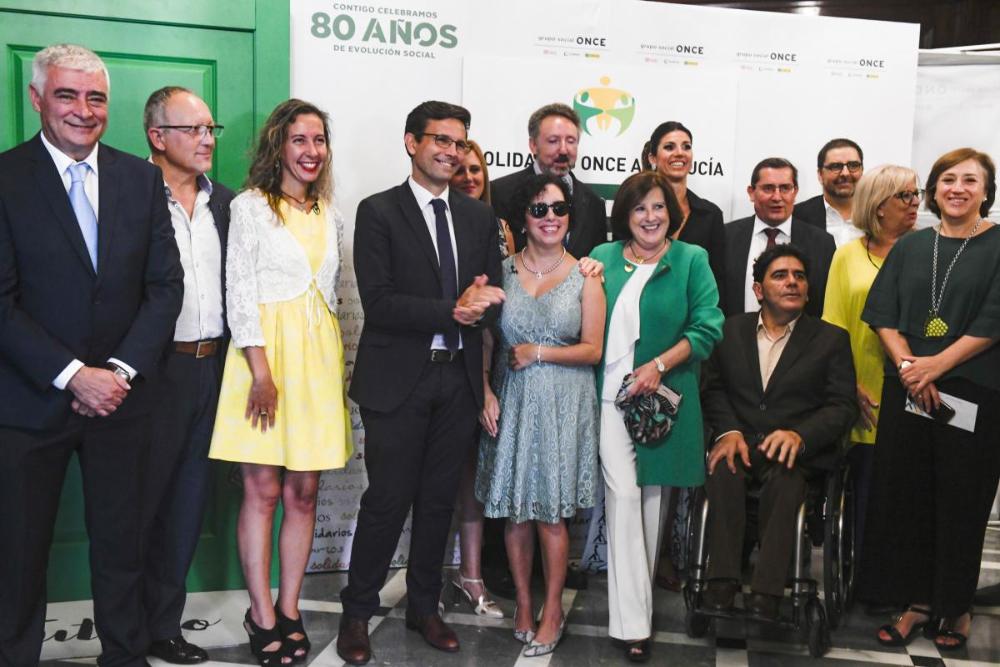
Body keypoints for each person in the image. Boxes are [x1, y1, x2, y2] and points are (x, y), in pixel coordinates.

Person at [0, 44, 183, 666]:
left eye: (96, 97)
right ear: (37, 99)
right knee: (18, 553)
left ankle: (125, 656)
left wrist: (119, 373)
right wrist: (76, 376)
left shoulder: (141, 177)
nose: (83, 110)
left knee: (122, 546)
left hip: (123, 403)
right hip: (28, 404)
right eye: (67, 95)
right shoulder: (3, 178)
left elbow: (165, 288)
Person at [337, 101, 505, 666]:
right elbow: (379, 303)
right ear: (412, 142)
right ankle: (357, 614)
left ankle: (424, 608)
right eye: (440, 140)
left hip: (456, 382)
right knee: (387, 501)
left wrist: (480, 306)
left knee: (438, 505)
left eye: (460, 143)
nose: (451, 151)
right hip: (397, 383)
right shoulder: (378, 211)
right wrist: (450, 312)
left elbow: (488, 299)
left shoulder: (479, 217)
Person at [208, 99, 351, 666]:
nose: (311, 151)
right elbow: (239, 295)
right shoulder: (249, 208)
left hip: (316, 364)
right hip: (262, 362)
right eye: (300, 140)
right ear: (278, 146)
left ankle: (290, 608)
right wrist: (260, 374)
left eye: (319, 140)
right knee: (262, 491)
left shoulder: (330, 215)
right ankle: (261, 613)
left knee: (304, 493)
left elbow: (331, 300)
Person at [859, 148, 1000, 651]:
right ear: (934, 191)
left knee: (962, 502)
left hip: (973, 394)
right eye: (946, 180)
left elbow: (991, 322)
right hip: (911, 392)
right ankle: (917, 602)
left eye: (969, 180)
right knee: (908, 499)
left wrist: (935, 366)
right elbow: (882, 313)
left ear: (986, 190)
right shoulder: (912, 246)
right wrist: (909, 369)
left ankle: (955, 606)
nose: (956, 188)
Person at [590, 170, 724, 662]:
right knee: (623, 497)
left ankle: (635, 618)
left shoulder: (692, 259)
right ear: (625, 215)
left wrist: (660, 365)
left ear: (673, 214)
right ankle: (634, 624)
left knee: (651, 508)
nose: (650, 217)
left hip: (663, 402)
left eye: (659, 208)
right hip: (608, 399)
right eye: (640, 208)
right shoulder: (602, 259)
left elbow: (709, 326)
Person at [475, 174, 605, 657]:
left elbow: (592, 350)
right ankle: (524, 604)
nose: (550, 218)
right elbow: (488, 338)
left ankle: (553, 609)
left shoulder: (586, 276)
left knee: (551, 516)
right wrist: (485, 389)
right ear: (522, 219)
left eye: (558, 209)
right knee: (515, 513)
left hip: (563, 404)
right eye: (539, 209)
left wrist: (539, 353)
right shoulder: (502, 270)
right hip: (511, 399)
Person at [701, 244, 857, 621]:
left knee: (787, 480)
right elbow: (713, 389)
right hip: (741, 445)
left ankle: (767, 593)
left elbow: (842, 406)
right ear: (758, 290)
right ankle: (720, 581)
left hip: (796, 456)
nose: (792, 282)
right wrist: (728, 432)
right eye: (780, 275)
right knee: (724, 468)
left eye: (799, 276)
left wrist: (801, 436)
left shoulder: (830, 340)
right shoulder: (729, 331)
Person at [141, 86, 234, 665]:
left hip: (213, 368)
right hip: (153, 374)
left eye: (210, 129)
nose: (206, 140)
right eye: (193, 129)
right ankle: (125, 627)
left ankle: (163, 627)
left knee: (186, 506)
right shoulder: (130, 194)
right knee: (139, 506)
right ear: (157, 137)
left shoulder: (226, 201)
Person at [821, 164, 919, 577]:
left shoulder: (926, 252)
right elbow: (833, 328)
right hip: (863, 391)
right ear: (879, 207)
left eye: (917, 195)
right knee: (865, 489)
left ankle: (899, 579)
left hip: (916, 389)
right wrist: (849, 387)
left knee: (906, 492)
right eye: (906, 196)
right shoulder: (847, 256)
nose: (916, 204)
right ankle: (864, 579)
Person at [723, 157, 836, 318]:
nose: (777, 197)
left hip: (800, 341)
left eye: (785, 188)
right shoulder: (726, 237)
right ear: (751, 192)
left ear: (795, 192)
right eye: (768, 188)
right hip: (735, 339)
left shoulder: (822, 243)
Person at [491, 103, 607, 257]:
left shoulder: (594, 204)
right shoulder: (500, 193)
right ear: (533, 145)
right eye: (553, 141)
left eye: (571, 141)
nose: (564, 149)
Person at [644, 121, 727, 313]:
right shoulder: (635, 210)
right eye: (669, 147)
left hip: (694, 323)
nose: (680, 153)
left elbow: (717, 282)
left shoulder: (710, 215)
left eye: (686, 146)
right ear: (652, 158)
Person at [794, 138, 865, 246]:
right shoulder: (797, 217)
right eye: (835, 166)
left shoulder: (878, 215)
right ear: (820, 174)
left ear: (862, 170)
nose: (845, 173)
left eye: (853, 165)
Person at [452, 139, 515, 257]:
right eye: (459, 171)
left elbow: (510, 274)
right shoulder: (438, 225)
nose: (468, 177)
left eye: (475, 169)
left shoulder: (503, 229)